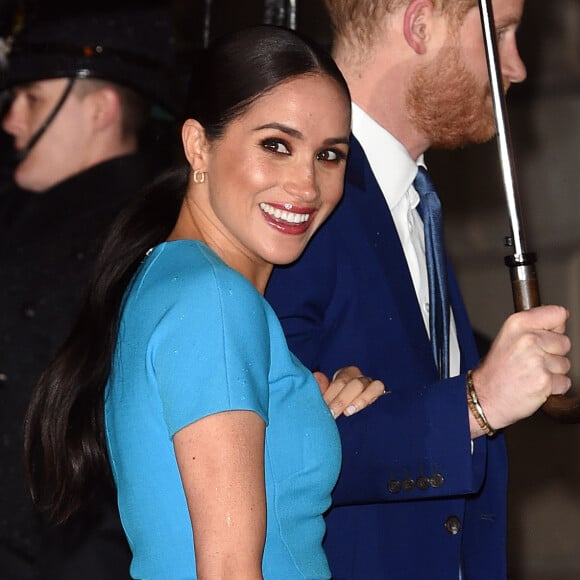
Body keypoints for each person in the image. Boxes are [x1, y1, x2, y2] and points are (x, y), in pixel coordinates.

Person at [23, 25, 385, 579]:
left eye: (329, 155)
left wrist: (306, 406)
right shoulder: (214, 300)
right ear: (198, 146)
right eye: (276, 145)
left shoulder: (173, 279)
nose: (307, 185)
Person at [265, 1, 573, 579]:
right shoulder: (295, 198)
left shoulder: (410, 193)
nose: (518, 65)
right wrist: (477, 404)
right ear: (420, 24)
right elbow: (267, 448)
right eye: (499, 33)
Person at [0, 5, 180, 578]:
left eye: (31, 98)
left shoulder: (137, 239)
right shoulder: (28, 213)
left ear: (100, 109)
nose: (11, 120)